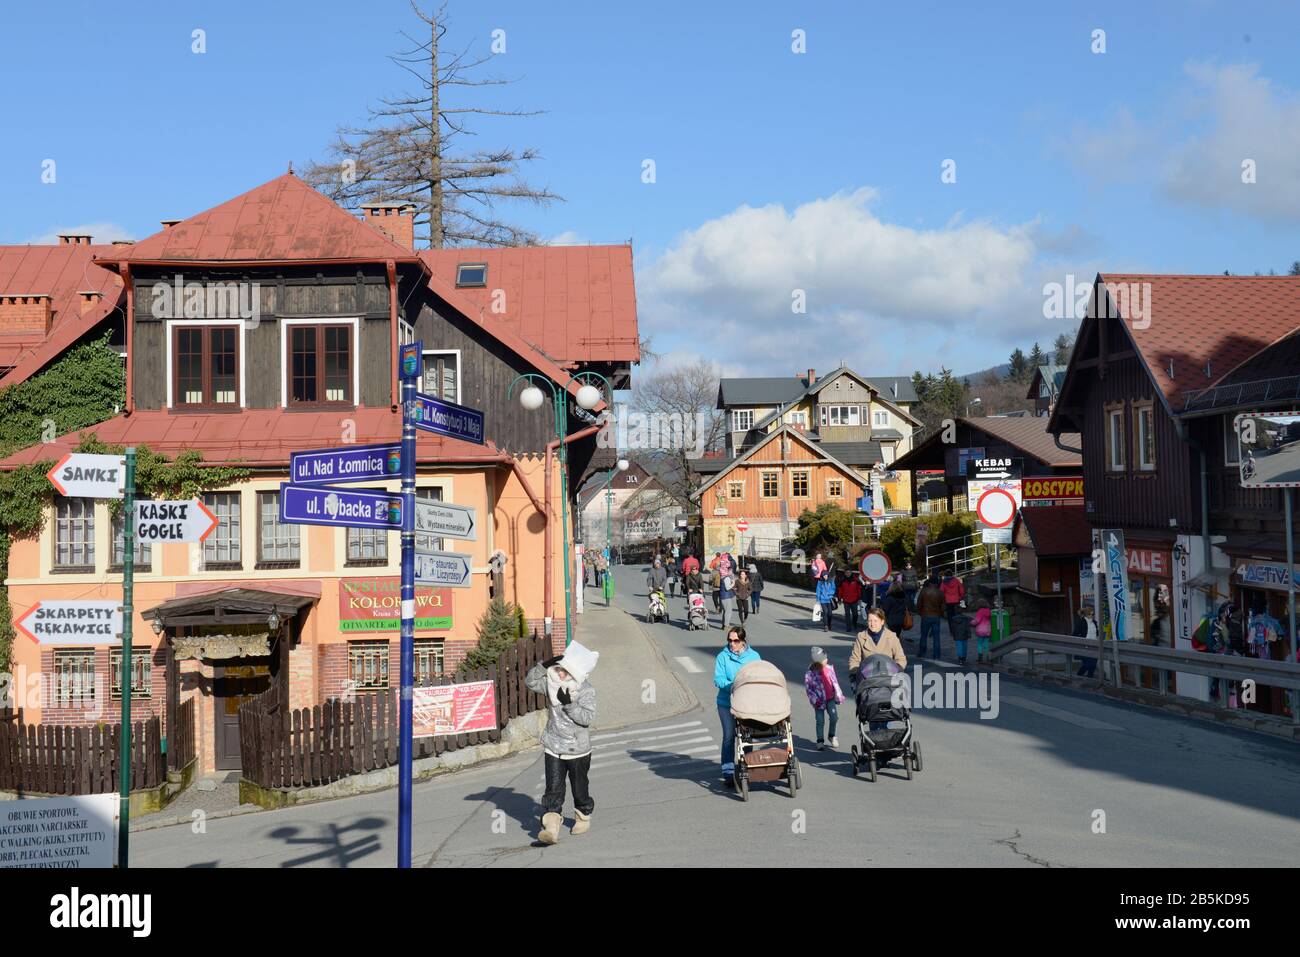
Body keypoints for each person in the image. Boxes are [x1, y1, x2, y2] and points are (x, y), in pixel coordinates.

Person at [524, 642, 599, 844]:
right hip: (554, 747)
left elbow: (586, 718)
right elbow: (530, 682)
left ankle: (583, 816)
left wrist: (569, 704)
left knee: (579, 789)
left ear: (576, 674)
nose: (561, 674)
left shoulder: (585, 691)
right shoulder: (552, 685)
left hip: (578, 750)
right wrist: (544, 665)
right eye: (558, 669)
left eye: (566, 671)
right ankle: (551, 829)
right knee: (553, 790)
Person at [714, 626, 761, 786]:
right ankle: (728, 771)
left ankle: (746, 767)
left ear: (743, 641)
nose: (732, 644)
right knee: (729, 737)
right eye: (730, 640)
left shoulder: (754, 656)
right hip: (726, 703)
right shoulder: (723, 657)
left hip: (746, 703)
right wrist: (733, 685)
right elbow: (718, 679)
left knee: (746, 736)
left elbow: (759, 676)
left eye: (736, 641)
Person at [849, 607, 908, 680]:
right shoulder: (861, 637)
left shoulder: (891, 637)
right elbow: (855, 659)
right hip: (867, 676)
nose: (872, 624)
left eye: (875, 621)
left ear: (882, 622)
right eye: (870, 621)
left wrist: (895, 672)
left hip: (887, 676)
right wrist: (855, 673)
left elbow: (901, 659)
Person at [804, 646, 845, 750]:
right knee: (820, 720)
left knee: (834, 717)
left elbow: (835, 682)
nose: (827, 660)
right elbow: (809, 689)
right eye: (824, 659)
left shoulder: (829, 669)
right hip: (819, 701)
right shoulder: (810, 674)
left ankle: (832, 736)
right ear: (817, 662)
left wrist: (839, 694)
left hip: (830, 699)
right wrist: (814, 700)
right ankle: (820, 741)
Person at [916, 574, 946, 659]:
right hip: (936, 616)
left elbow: (919, 603)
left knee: (924, 635)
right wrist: (940, 613)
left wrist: (919, 612)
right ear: (937, 583)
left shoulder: (924, 591)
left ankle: (922, 653)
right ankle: (936, 655)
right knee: (936, 637)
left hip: (925, 615)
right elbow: (944, 606)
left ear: (929, 582)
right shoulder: (940, 592)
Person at [1073, 604, 1099, 677]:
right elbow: (1075, 634)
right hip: (1084, 647)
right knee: (1088, 664)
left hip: (1094, 646)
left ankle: (1089, 678)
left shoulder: (1094, 622)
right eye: (1090, 614)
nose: (1092, 615)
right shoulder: (1081, 622)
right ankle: (1080, 675)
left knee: (1093, 665)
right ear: (1086, 614)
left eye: (1093, 614)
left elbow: (1097, 634)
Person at [940, 570, 966, 635]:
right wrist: (960, 597)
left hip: (948, 601)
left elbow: (941, 592)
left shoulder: (943, 582)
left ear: (945, 575)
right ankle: (958, 629)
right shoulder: (956, 581)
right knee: (957, 615)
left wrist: (943, 599)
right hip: (956, 600)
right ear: (952, 574)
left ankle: (952, 630)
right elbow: (962, 590)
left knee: (950, 616)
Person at [972, 599, 993, 664]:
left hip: (981, 630)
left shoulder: (980, 612)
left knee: (980, 644)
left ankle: (980, 657)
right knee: (986, 644)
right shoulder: (989, 611)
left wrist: (971, 622)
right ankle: (986, 657)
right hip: (987, 630)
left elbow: (976, 621)